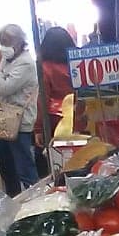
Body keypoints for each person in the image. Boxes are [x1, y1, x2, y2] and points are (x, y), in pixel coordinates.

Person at [0, 23, 39, 195]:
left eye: (7, 42)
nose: (4, 46)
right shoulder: (6, 61)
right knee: (6, 168)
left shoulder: (26, 64)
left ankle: (35, 200)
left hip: (20, 123)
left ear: (19, 41)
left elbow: (4, 88)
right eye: (1, 42)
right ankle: (14, 201)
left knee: (24, 168)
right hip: (4, 121)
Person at [36, 25, 74, 165]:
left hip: (54, 123)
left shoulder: (45, 68)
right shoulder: (75, 64)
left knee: (57, 163)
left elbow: (42, 100)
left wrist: (38, 129)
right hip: (79, 118)